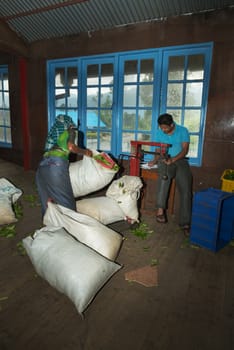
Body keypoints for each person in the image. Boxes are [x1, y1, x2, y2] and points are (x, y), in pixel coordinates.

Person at [36, 114, 92, 216]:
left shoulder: (54, 133)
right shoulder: (70, 131)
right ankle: (68, 226)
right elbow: (71, 147)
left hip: (42, 166)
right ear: (69, 124)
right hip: (56, 166)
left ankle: (48, 225)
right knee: (66, 201)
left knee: (47, 200)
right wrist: (85, 152)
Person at [148, 113, 193, 236]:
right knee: (164, 177)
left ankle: (185, 223)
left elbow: (185, 150)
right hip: (165, 160)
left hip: (181, 161)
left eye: (165, 128)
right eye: (161, 127)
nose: (163, 130)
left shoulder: (183, 131)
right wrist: (154, 160)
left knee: (186, 191)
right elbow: (158, 150)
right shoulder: (159, 132)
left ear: (172, 125)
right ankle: (160, 210)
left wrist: (173, 160)